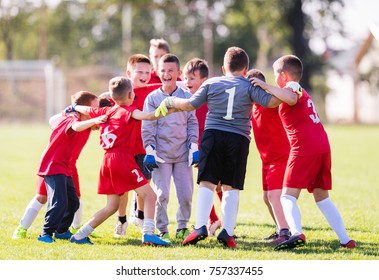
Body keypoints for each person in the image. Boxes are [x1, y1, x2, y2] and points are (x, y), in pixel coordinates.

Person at [155, 46, 295, 248]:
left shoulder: (211, 83)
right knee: (231, 186)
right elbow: (272, 103)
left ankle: (201, 226)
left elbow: (190, 104)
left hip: (213, 135)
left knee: (207, 183)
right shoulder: (249, 86)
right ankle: (227, 232)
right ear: (246, 69)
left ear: (223, 68)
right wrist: (279, 89)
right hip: (238, 138)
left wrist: (170, 101)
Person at [250, 54, 356, 250]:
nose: (274, 78)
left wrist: (264, 86)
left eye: (275, 74)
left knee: (286, 196)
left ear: (283, 75)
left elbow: (290, 97)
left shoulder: (292, 87)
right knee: (322, 198)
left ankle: (297, 233)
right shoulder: (299, 90)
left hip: (304, 147)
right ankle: (345, 239)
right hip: (322, 145)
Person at [69, 76, 170, 246]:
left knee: (112, 206)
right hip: (121, 158)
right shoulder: (128, 111)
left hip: (107, 160)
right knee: (150, 195)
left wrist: (72, 107)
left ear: (111, 97)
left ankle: (79, 235)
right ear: (131, 94)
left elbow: (85, 109)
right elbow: (149, 116)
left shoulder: (105, 111)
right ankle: (149, 234)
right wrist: (168, 108)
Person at [11, 94, 103, 240]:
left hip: (67, 166)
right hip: (53, 165)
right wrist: (74, 110)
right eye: (95, 108)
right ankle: (39, 232)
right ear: (84, 109)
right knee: (50, 199)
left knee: (73, 201)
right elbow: (73, 126)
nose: (99, 112)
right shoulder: (71, 119)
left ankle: (62, 230)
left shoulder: (88, 123)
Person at [142, 53, 199, 243]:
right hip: (161, 156)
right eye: (163, 71)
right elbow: (148, 126)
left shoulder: (187, 97)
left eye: (171, 71)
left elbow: (192, 124)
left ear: (179, 73)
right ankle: (162, 229)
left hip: (183, 155)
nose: (167, 74)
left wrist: (193, 147)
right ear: (158, 72)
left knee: (185, 195)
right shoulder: (152, 98)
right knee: (162, 195)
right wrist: (150, 151)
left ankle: (182, 227)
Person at [114, 54, 161, 238]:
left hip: (143, 149)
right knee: (122, 188)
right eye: (139, 71)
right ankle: (121, 219)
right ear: (128, 73)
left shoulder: (152, 90)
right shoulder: (120, 93)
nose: (144, 75)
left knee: (144, 185)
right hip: (123, 151)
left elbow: (174, 86)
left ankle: (140, 216)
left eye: (147, 72)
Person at [247, 69, 290, 245]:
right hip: (266, 159)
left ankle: (285, 233)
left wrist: (266, 86)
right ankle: (281, 228)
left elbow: (288, 96)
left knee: (274, 197)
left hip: (280, 157)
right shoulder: (253, 107)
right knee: (267, 198)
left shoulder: (271, 103)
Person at [183, 57, 222, 236]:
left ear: (203, 81)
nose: (187, 82)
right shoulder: (185, 96)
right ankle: (213, 218)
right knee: (207, 183)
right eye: (185, 78)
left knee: (218, 184)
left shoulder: (210, 97)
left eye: (192, 78)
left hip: (210, 143)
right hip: (196, 145)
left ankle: (223, 220)